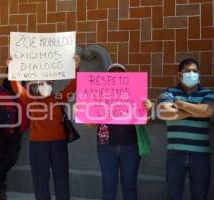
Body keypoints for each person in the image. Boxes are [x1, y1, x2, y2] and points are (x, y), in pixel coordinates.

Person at [9, 55, 80, 200]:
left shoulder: (60, 97)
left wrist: (76, 67)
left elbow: (74, 85)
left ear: (52, 83)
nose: (44, 86)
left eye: (47, 83)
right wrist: (12, 68)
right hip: (37, 144)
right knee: (40, 180)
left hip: (58, 143)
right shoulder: (31, 99)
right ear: (36, 85)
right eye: (41, 83)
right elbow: (17, 88)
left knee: (61, 177)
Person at [88, 64, 152, 200]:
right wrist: (81, 112)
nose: (116, 77)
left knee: (129, 185)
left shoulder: (135, 95)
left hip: (130, 146)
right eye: (112, 75)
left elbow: (144, 121)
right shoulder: (100, 96)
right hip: (106, 147)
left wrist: (148, 109)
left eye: (120, 75)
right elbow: (90, 124)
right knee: (109, 186)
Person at [158, 58, 214, 200]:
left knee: (200, 195)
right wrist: (196, 110)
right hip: (175, 154)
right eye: (187, 71)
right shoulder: (169, 91)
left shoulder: (208, 93)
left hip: (201, 155)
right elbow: (164, 112)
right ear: (179, 75)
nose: (191, 73)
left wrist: (181, 104)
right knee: (173, 194)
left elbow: (208, 111)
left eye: (194, 71)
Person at [0, 77, 29, 200]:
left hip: (17, 132)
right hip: (0, 132)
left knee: (11, 159)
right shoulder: (0, 90)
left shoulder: (26, 90)